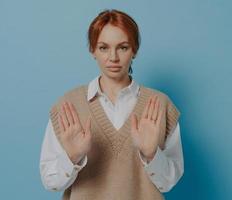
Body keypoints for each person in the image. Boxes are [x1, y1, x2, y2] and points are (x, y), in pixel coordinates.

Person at [39, 9, 184, 200]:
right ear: (92, 50)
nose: (113, 57)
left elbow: (167, 183)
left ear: (135, 50)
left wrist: (151, 155)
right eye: (103, 48)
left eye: (123, 47)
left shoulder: (160, 105)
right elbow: (50, 183)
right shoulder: (68, 106)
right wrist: (71, 158)